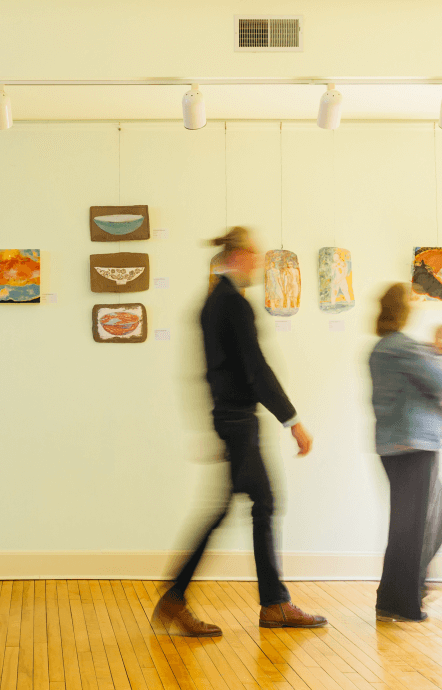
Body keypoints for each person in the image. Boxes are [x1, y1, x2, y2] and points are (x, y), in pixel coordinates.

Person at [152, 226, 327, 636]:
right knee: (263, 503)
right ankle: (272, 605)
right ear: (239, 256)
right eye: (256, 256)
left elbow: (212, 372)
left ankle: (180, 596)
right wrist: (292, 420)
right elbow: (256, 371)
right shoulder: (232, 304)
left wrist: (215, 423)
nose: (260, 264)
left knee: (238, 506)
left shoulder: (211, 302)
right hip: (239, 422)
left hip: (228, 420)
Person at [368, 284, 442, 622]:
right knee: (426, 522)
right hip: (416, 443)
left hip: (388, 445)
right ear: (403, 311)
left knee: (404, 524)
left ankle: (390, 599)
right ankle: (407, 602)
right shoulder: (405, 347)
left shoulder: (377, 349)